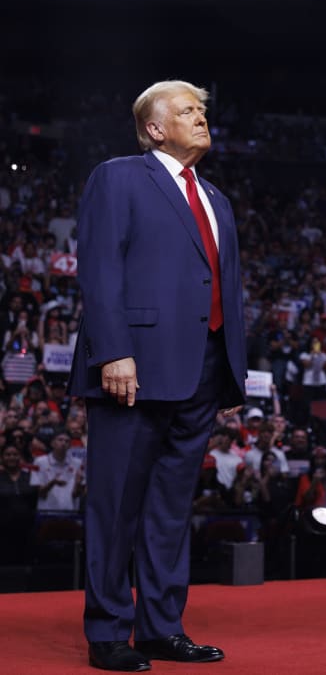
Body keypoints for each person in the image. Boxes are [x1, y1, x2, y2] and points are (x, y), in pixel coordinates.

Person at [68, 80, 247, 671]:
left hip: (200, 372)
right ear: (154, 127)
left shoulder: (216, 198)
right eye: (187, 111)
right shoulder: (118, 177)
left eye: (202, 110)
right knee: (116, 506)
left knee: (171, 510)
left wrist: (229, 372)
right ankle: (108, 632)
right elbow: (98, 268)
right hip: (133, 370)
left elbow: (223, 290)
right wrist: (113, 352)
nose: (201, 119)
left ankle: (161, 627)